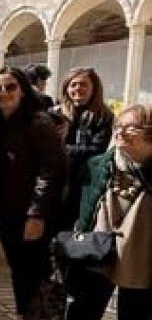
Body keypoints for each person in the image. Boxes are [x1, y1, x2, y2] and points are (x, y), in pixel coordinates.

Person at [39, 105, 152, 320]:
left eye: (130, 128)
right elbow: (74, 207)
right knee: (82, 313)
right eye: (119, 126)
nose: (120, 132)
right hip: (96, 250)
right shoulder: (97, 165)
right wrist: (65, 243)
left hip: (142, 259)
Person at [0, 68, 67, 320]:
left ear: (22, 90)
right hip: (8, 212)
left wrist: (36, 214)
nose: (3, 93)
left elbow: (52, 171)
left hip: (31, 215)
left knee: (34, 273)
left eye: (10, 87)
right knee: (19, 270)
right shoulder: (0, 124)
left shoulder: (37, 123)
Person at [52, 67, 114, 229]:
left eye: (83, 84)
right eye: (73, 85)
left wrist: (64, 149)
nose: (78, 88)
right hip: (57, 181)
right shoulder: (55, 114)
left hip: (85, 183)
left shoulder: (103, 116)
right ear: (66, 88)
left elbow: (98, 150)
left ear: (94, 88)